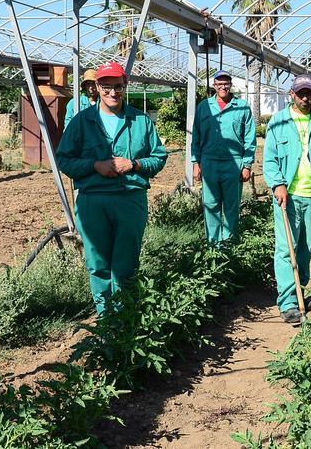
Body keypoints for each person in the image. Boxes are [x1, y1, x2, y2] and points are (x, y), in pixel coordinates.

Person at [56, 61, 168, 315]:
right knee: (98, 263)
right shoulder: (82, 121)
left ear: (125, 85)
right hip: (92, 200)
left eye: (117, 86)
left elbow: (159, 157)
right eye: (106, 87)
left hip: (130, 200)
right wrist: (94, 165)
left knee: (126, 264)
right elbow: (64, 158)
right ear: (97, 87)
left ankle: (125, 321)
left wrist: (136, 164)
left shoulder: (140, 120)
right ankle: (107, 320)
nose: (112, 93)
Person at [263, 74, 311, 326]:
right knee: (286, 249)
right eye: (301, 93)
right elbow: (270, 160)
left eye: (309, 93)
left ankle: (300, 291)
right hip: (289, 195)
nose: (305, 97)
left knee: (305, 248)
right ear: (292, 95)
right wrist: (278, 185)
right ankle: (287, 303)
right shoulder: (279, 122)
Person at [191, 70, 257, 245]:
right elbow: (196, 136)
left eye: (226, 83)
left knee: (231, 207)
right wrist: (195, 163)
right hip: (209, 162)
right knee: (210, 205)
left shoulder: (242, 107)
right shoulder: (203, 107)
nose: (223, 87)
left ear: (230, 85)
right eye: (219, 84)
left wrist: (247, 165)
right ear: (214, 86)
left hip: (233, 164)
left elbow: (250, 138)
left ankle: (229, 245)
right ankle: (213, 245)